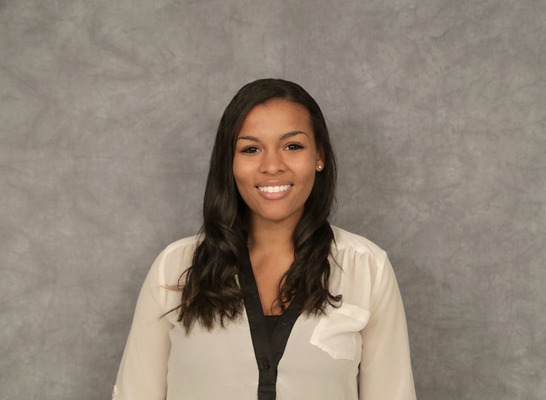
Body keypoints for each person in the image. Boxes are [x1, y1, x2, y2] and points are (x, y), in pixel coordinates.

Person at [113, 78, 416, 400]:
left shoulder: (368, 268)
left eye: (292, 146)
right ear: (229, 163)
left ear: (319, 156)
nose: (272, 166)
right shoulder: (174, 269)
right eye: (251, 149)